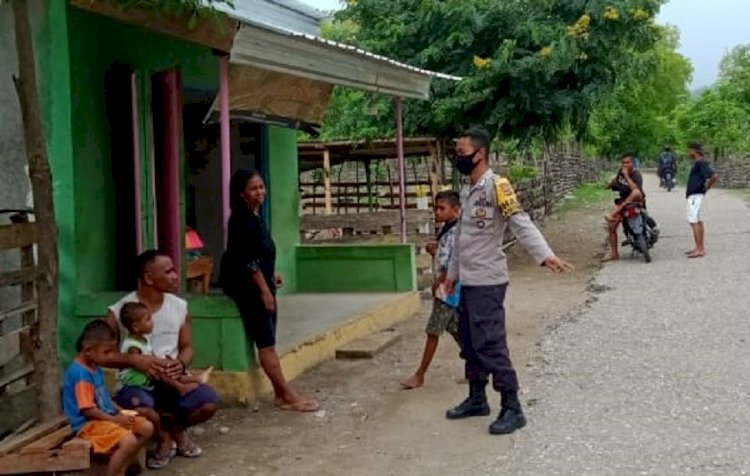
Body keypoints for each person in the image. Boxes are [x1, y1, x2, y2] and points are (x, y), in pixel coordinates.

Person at [442, 127, 573, 435]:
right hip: (467, 280)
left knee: (490, 344)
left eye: (461, 153)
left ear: (480, 154)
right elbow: (462, 237)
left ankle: (512, 407)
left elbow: (520, 223)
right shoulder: (466, 188)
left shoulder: (497, 186)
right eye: (456, 153)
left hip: (488, 280)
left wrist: (544, 255)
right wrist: (451, 276)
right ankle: (477, 398)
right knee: (470, 343)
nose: (457, 158)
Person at [106, 251, 220, 468]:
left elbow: (187, 347)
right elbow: (103, 355)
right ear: (149, 278)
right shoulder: (120, 310)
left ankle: (175, 429)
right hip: (137, 384)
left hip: (171, 379)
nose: (176, 275)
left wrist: (181, 364)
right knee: (139, 406)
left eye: (174, 270)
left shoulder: (179, 307)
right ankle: (163, 438)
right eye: (168, 272)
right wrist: (134, 361)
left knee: (208, 402)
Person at [220, 170, 319, 412]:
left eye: (261, 187)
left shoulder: (255, 216)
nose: (260, 192)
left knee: (269, 338)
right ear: (242, 193)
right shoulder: (242, 220)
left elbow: (260, 253)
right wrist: (264, 291)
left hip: (259, 281)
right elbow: (247, 260)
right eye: (254, 188)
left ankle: (280, 393)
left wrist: (271, 273)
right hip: (248, 287)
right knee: (266, 342)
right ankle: (287, 395)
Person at [62, 320, 154, 476]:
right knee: (129, 441)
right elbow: (88, 410)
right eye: (107, 352)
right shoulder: (81, 374)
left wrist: (121, 411)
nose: (109, 356)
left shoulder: (95, 367)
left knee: (147, 428)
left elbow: (103, 397)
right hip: (88, 425)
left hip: (105, 418)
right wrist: (115, 420)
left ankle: (122, 469)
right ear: (88, 350)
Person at [401, 191, 463, 390]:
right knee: (457, 331)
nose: (436, 212)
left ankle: (420, 375)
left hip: (447, 288)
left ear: (455, 210)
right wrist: (435, 250)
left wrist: (441, 280)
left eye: (441, 208)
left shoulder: (457, 232)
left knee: (433, 332)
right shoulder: (448, 228)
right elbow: (446, 253)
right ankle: (478, 368)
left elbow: (456, 259)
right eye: (435, 208)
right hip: (448, 288)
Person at [117, 302, 213, 420]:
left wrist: (163, 362)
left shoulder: (142, 340)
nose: (152, 322)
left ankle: (192, 379)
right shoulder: (133, 346)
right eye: (148, 320)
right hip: (135, 378)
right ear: (136, 327)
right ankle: (183, 385)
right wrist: (158, 366)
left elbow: (150, 357)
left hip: (145, 374)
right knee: (162, 372)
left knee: (167, 368)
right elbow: (137, 363)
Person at [603, 154, 645, 262]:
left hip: (634, 202)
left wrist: (626, 176)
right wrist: (609, 185)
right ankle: (614, 253)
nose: (624, 165)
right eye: (623, 162)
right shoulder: (620, 174)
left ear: (632, 163)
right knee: (611, 227)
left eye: (627, 162)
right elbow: (616, 183)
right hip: (622, 204)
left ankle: (613, 213)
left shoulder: (636, 175)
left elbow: (636, 190)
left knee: (635, 192)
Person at [685, 142, 717, 258]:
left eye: (690, 150)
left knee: (694, 221)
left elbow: (713, 176)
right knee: (696, 220)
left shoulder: (701, 163)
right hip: (694, 195)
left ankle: (699, 249)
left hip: (696, 195)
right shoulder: (698, 163)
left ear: (694, 150)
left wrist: (707, 187)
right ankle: (699, 247)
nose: (689, 152)